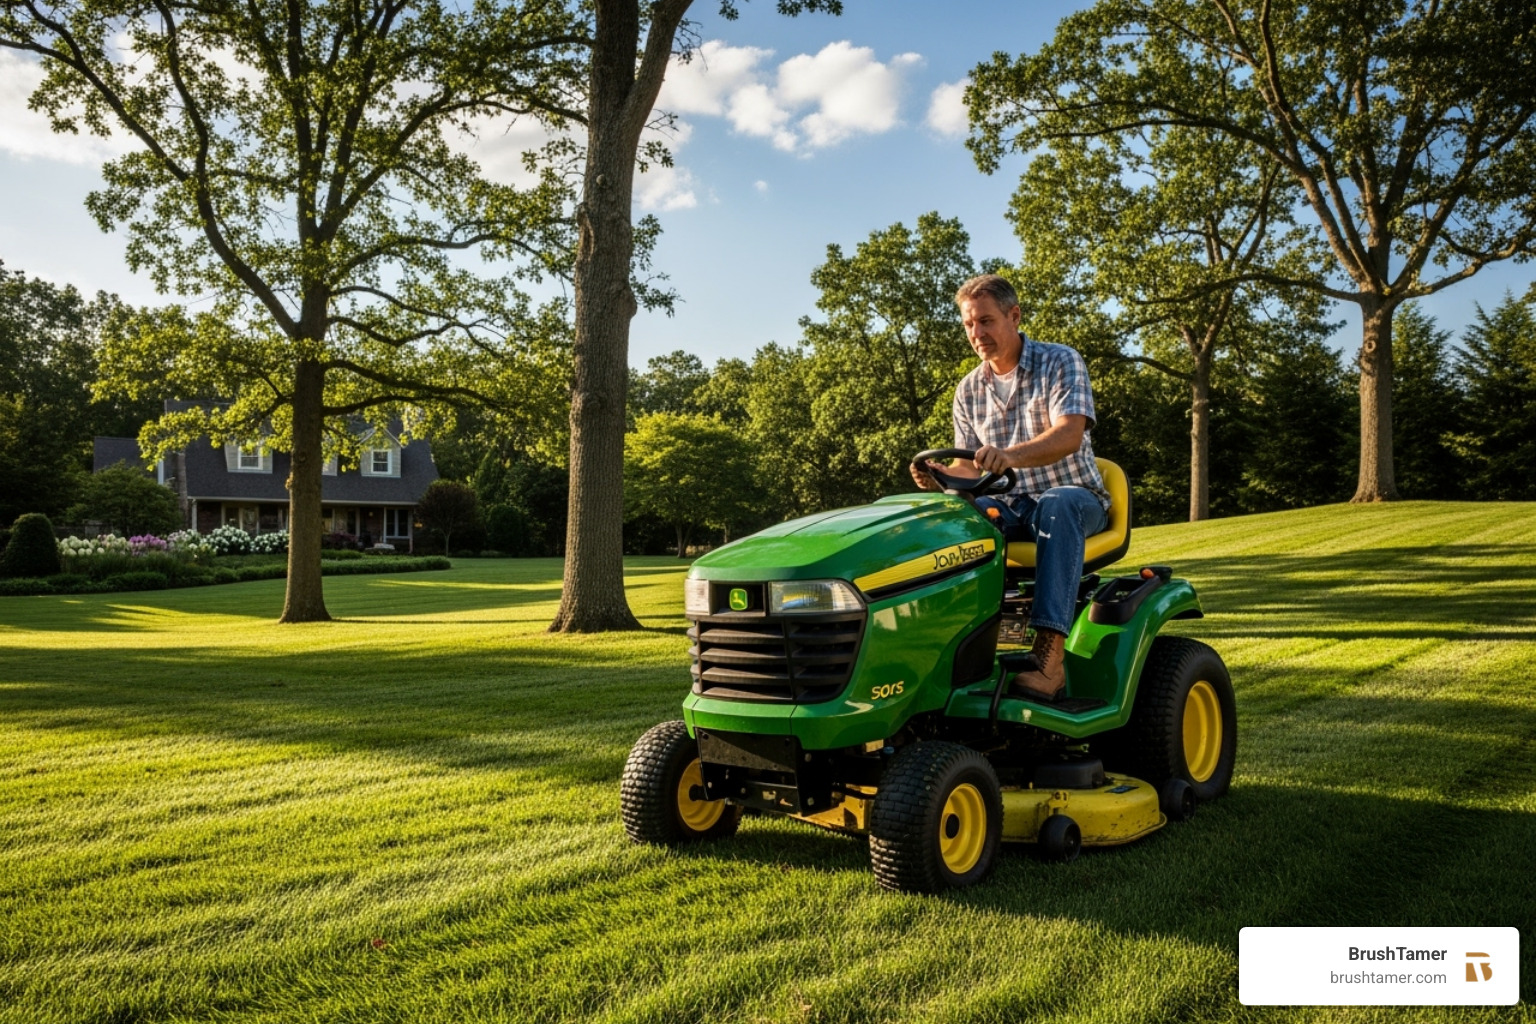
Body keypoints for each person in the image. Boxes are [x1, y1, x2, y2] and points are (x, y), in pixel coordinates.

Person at [911, 274, 1109, 701]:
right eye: (968, 325)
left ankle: (1048, 659)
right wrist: (941, 479)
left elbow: (1069, 434)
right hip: (1010, 505)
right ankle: (952, 648)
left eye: (986, 321)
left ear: (1014, 316)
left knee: (1057, 504)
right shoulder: (968, 390)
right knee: (951, 521)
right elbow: (968, 469)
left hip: (1075, 498)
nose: (976, 334)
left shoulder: (1060, 362)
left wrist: (1011, 456)